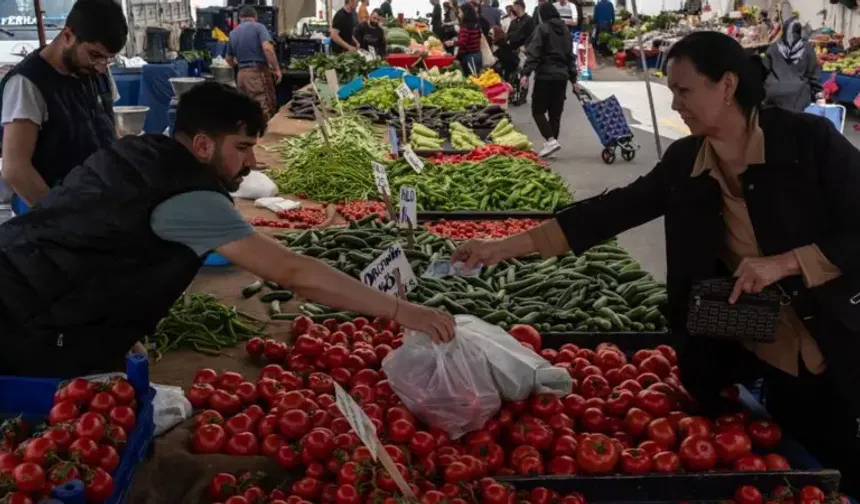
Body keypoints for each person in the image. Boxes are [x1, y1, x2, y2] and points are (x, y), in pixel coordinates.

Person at [455, 31, 860, 496]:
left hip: (839, 341)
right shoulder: (686, 161)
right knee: (804, 462)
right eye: (671, 93)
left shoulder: (807, 143)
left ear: (727, 85)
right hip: (762, 356)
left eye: (685, 91)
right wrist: (499, 248)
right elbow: (610, 213)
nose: (675, 106)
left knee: (847, 456)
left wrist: (786, 263)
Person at [0, 82, 455, 379]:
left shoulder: (139, 152)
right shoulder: (190, 197)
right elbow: (293, 272)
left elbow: (96, 238)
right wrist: (402, 311)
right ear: (202, 144)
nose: (252, 163)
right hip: (27, 321)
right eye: (242, 148)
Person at [0, 0, 126, 211]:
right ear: (68, 35)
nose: (101, 67)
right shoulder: (27, 84)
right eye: (95, 55)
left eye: (108, 59)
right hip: (50, 210)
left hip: (97, 200)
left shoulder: (95, 70)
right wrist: (61, 216)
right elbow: (15, 169)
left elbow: (109, 129)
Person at [521, 2, 576, 158]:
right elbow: (570, 57)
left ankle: (551, 141)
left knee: (537, 110)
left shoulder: (542, 28)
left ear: (542, 14)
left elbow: (534, 53)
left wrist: (526, 73)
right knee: (555, 112)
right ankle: (551, 143)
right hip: (562, 76)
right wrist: (574, 79)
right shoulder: (565, 30)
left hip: (545, 75)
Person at [227, 6, 282, 120]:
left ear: (240, 18)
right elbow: (267, 48)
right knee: (263, 108)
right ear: (255, 17)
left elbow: (228, 59)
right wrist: (276, 69)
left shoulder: (233, 33)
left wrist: (241, 67)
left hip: (241, 76)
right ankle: (265, 137)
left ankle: (249, 137)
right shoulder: (259, 27)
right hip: (257, 73)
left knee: (245, 111)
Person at [763, 16, 819, 113]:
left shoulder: (773, 47)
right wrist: (816, 94)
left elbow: (763, 70)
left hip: (773, 92)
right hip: (797, 95)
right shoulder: (807, 48)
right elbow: (813, 76)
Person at [447, 3, 483, 75]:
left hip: (469, 58)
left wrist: (452, 43)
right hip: (478, 55)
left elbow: (463, 43)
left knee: (469, 79)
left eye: (460, 12)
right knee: (477, 78)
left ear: (466, 13)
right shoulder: (476, 24)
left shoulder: (464, 27)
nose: (459, 15)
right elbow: (479, 37)